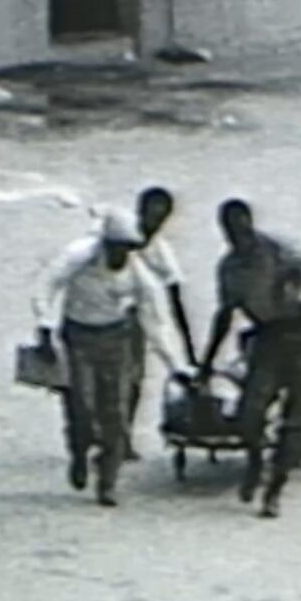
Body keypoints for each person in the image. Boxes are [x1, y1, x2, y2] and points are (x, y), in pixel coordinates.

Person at [199, 199, 301, 518]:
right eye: (229, 230)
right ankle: (256, 461)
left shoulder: (282, 250)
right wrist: (206, 363)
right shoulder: (229, 268)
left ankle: (274, 491)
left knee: (294, 421)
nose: (236, 236)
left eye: (241, 227)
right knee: (248, 414)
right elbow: (225, 314)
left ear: (251, 223)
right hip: (267, 336)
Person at [33, 210, 193, 507]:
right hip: (77, 336)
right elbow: (47, 283)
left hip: (115, 340)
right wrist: (44, 326)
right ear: (104, 243)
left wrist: (177, 367)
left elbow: (155, 323)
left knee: (116, 413)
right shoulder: (79, 255)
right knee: (82, 405)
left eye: (127, 249)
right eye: (115, 248)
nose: (121, 255)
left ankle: (108, 482)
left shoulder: (139, 276)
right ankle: (79, 452)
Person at [119, 186, 199, 461]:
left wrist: (190, 354)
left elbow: (175, 298)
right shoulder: (113, 237)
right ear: (139, 211)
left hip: (133, 321)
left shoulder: (161, 251)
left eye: (162, 218)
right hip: (99, 316)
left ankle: (121, 437)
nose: (155, 225)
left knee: (133, 380)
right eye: (151, 217)